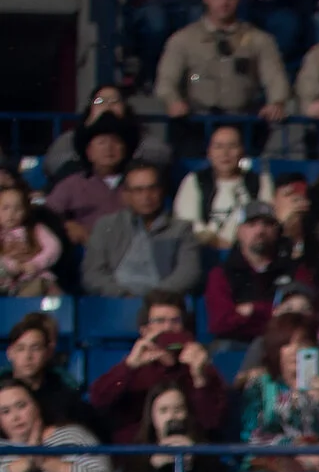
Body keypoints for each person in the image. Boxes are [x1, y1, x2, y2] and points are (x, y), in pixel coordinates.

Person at [155, 0, 292, 143]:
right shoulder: (183, 39)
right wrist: (173, 101)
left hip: (242, 120)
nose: (224, 3)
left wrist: (276, 102)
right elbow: (166, 80)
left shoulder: (259, 39)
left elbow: (275, 77)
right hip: (195, 121)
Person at [87, 289, 230, 443]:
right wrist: (128, 366)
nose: (168, 328)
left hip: (189, 452)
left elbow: (212, 423)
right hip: (138, 456)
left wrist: (199, 378)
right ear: (145, 330)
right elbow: (98, 401)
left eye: (175, 321)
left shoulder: (201, 367)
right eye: (160, 321)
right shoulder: (132, 370)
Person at [235, 308, 319, 466]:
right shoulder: (260, 385)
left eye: (302, 343)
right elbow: (252, 437)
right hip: (271, 463)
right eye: (287, 344)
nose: (295, 350)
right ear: (276, 350)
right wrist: (295, 447)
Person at [82, 164, 205, 305]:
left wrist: (154, 298)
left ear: (161, 191)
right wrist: (123, 295)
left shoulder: (181, 229)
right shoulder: (106, 226)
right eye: (138, 190)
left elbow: (188, 273)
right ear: (126, 195)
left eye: (152, 188)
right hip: (115, 302)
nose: (146, 196)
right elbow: (93, 274)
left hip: (163, 303)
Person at [204, 199, 310, 341]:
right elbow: (220, 323)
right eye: (252, 224)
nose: (260, 231)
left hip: (286, 344)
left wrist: (252, 310)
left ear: (277, 231)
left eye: (267, 224)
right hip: (236, 346)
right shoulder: (220, 274)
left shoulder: (295, 269)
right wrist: (274, 312)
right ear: (239, 231)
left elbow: (304, 316)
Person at [172, 122, 275, 252]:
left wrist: (230, 240)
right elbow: (187, 222)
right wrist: (213, 240)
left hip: (246, 252)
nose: (225, 153)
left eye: (232, 146)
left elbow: (264, 219)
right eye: (218, 147)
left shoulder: (261, 181)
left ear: (242, 151)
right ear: (209, 152)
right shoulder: (193, 181)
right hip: (203, 250)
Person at [6, 313, 96, 435]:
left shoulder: (64, 395)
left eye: (35, 348)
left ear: (47, 353)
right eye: (21, 348)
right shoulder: (2, 389)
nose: (28, 356)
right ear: (10, 353)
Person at [44, 122, 134, 245]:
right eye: (102, 142)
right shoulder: (73, 184)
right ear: (89, 152)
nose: (109, 148)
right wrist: (66, 225)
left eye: (115, 142)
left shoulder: (137, 181)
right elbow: (46, 214)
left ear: (124, 149)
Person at [0, 182, 63, 298]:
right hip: (7, 284)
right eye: (5, 208)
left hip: (35, 278)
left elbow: (53, 247)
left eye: (18, 208)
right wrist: (14, 265)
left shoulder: (36, 229)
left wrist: (35, 264)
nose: (11, 214)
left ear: (25, 211)